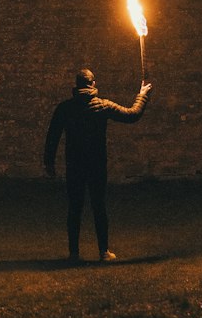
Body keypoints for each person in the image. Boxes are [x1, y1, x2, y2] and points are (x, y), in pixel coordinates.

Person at [43, 68, 152, 263]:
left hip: (74, 165)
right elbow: (132, 114)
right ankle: (103, 252)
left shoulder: (65, 108)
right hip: (96, 165)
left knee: (74, 208)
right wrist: (142, 95)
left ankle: (74, 254)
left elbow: (52, 136)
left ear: (77, 85)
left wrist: (49, 163)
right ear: (93, 84)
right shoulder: (102, 106)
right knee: (99, 207)